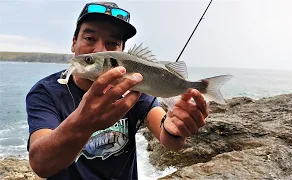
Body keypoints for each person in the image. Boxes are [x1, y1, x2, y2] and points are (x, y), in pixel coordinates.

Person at [26, 2, 208, 180]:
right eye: (89, 39)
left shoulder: (133, 87)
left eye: (112, 43)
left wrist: (174, 131)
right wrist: (83, 124)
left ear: (121, 53)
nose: (99, 49)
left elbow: (166, 135)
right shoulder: (45, 92)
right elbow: (41, 165)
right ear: (74, 43)